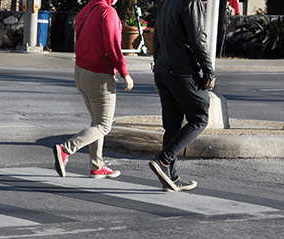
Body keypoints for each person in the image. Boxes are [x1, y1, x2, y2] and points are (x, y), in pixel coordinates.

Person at [53, 0, 133, 180]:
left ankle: (97, 165)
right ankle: (66, 149)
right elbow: (113, 46)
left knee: (97, 121)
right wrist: (124, 73)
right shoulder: (107, 12)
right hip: (99, 75)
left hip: (81, 73)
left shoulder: (85, 10)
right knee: (104, 125)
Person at [148, 0, 216, 192]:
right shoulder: (191, 2)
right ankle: (163, 160)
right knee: (200, 118)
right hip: (183, 71)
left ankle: (171, 178)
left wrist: (158, 68)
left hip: (163, 70)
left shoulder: (165, 2)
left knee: (172, 126)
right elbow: (197, 38)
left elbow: (157, 38)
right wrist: (209, 72)